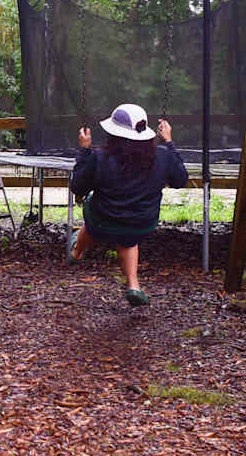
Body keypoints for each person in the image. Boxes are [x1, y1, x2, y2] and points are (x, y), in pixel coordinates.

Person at [69, 103, 188, 307]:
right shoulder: (162, 156)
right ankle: (133, 285)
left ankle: (77, 251)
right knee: (127, 234)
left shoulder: (100, 157)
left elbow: (77, 187)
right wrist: (169, 143)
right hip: (142, 223)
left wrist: (84, 151)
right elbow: (180, 180)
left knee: (94, 211)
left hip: (103, 220)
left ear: (113, 133)